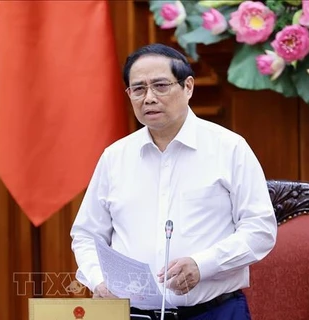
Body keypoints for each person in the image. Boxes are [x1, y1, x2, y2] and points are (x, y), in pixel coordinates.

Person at [70, 43, 277, 320]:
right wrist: (98, 281)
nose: (149, 98)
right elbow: (86, 235)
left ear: (188, 87)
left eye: (160, 86)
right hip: (132, 314)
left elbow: (260, 229)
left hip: (213, 312)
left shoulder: (229, 148)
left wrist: (202, 265)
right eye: (138, 89)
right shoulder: (115, 157)